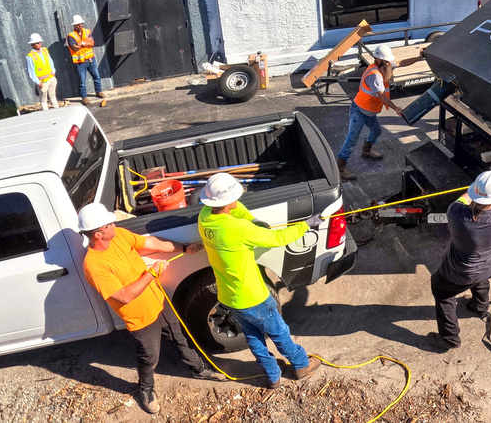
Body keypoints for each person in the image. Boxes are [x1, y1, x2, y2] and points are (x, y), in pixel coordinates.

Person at [78, 203, 224, 416]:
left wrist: (184, 248)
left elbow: (152, 243)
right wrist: (152, 274)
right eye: (109, 224)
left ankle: (198, 369)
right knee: (149, 357)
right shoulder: (94, 265)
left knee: (179, 335)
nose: (114, 224)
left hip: (159, 300)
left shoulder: (118, 236)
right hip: (140, 317)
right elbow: (124, 296)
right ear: (98, 234)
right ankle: (145, 389)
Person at [197, 173, 322, 388]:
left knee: (254, 337)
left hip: (229, 296)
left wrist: (252, 220)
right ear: (227, 202)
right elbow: (278, 238)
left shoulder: (204, 216)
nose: (238, 199)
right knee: (278, 331)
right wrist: (306, 225)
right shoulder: (237, 229)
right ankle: (301, 365)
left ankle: (273, 375)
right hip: (253, 296)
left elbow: (236, 210)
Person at [427, 171, 491, 352]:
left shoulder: (456, 214)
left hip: (458, 272)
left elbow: (462, 199)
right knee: (480, 279)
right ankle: (479, 308)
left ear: (474, 192)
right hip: (488, 265)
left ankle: (449, 338)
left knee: (442, 292)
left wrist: (475, 189)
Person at [336, 43, 403, 181]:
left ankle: (366, 150)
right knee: (352, 139)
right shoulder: (375, 76)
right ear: (380, 61)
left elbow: (401, 62)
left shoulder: (385, 66)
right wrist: (396, 108)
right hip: (359, 110)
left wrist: (420, 57)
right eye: (387, 61)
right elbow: (382, 96)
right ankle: (340, 168)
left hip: (369, 111)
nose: (390, 63)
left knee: (376, 131)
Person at [67, 14, 104, 104]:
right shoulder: (71, 36)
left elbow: (91, 43)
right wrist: (85, 43)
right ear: (74, 25)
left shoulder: (87, 31)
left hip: (90, 59)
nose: (81, 25)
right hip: (80, 62)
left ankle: (98, 92)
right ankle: (84, 97)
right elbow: (74, 47)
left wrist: (81, 43)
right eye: (79, 24)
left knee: (97, 76)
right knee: (82, 81)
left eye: (81, 23)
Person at [25, 32, 58, 110]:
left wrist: (53, 72)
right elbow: (31, 71)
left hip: (51, 78)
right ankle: (46, 113)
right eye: (37, 43)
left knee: (53, 95)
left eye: (40, 42)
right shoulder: (30, 56)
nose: (40, 44)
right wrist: (37, 82)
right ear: (32, 44)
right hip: (42, 82)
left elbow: (50, 61)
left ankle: (57, 109)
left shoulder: (44, 50)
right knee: (44, 99)